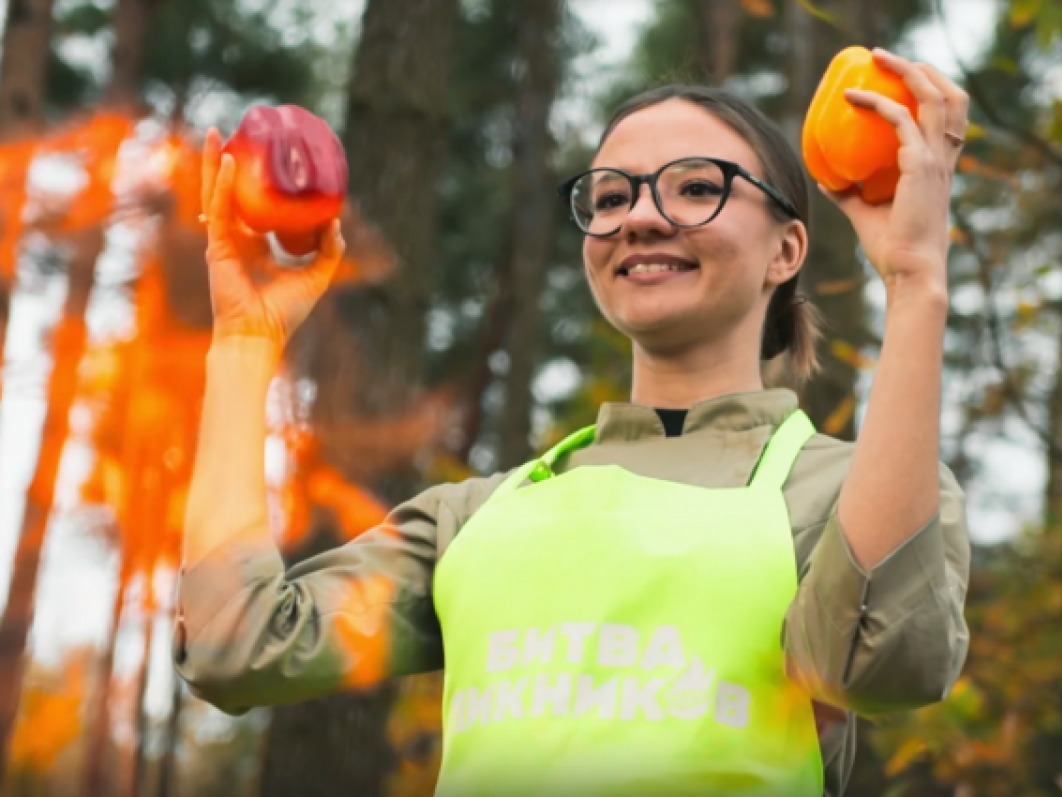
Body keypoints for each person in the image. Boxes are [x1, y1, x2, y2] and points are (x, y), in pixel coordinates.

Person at [174, 48, 971, 797]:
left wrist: (915, 284)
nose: (642, 219)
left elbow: (880, 667)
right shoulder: (475, 517)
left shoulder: (849, 491)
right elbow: (235, 645)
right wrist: (245, 344)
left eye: (698, 188)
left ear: (786, 249)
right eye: (613, 196)